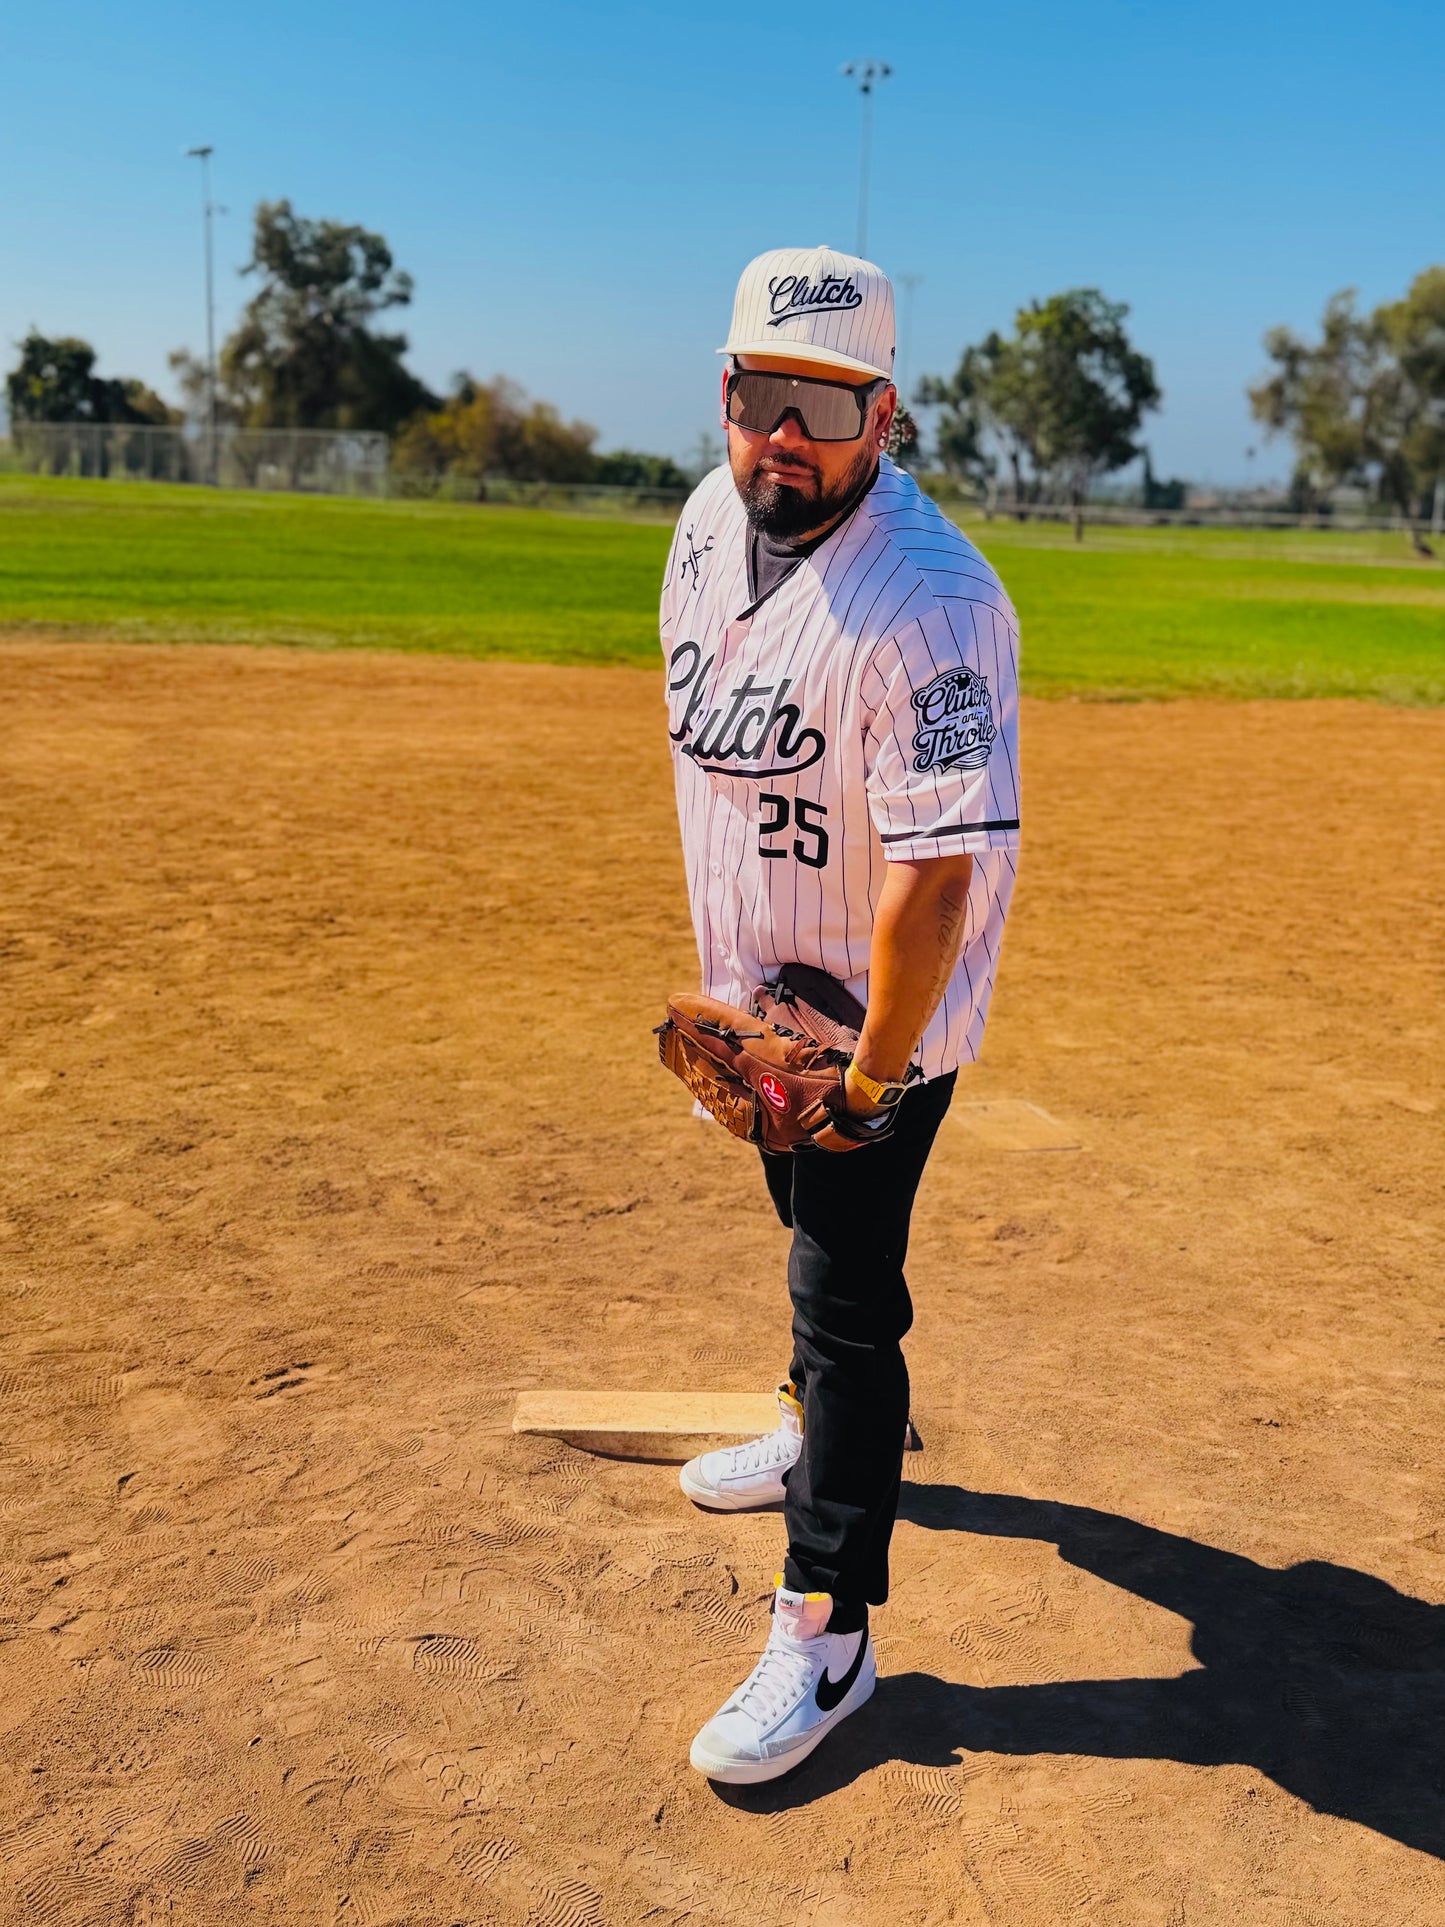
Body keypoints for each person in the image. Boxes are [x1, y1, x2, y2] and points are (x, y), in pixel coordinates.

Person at [659, 246, 1021, 1784]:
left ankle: (830, 1630)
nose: (781, 436)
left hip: (882, 1031)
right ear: (726, 395)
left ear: (883, 412)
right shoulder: (700, 529)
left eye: (821, 403)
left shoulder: (930, 605)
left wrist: (865, 1088)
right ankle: (817, 1427)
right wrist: (754, 1024)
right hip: (764, 1015)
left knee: (844, 1293)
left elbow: (934, 877)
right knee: (800, 1238)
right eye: (759, 396)